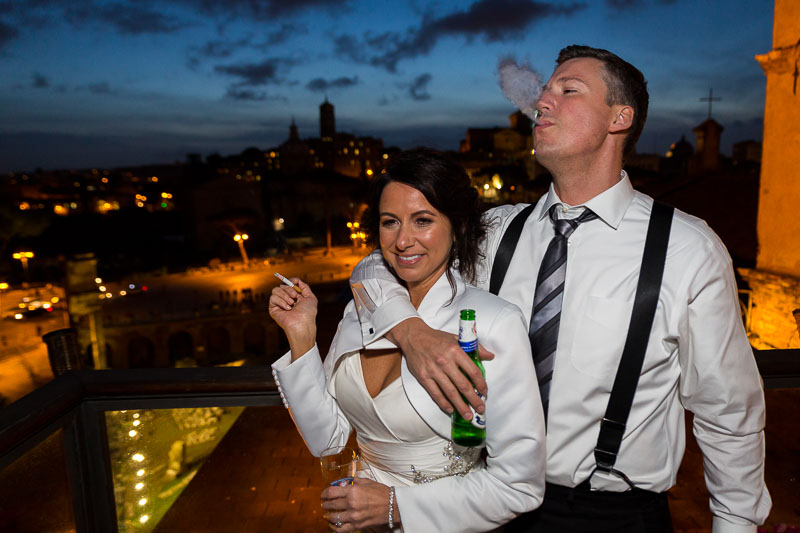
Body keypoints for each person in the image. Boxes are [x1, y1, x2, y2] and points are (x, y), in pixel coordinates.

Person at [348, 45, 771, 531]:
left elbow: (729, 411)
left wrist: (735, 524)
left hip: (612, 516)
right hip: (487, 500)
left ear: (620, 117)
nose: (541, 103)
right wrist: (411, 333)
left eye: (568, 90)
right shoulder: (496, 231)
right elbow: (378, 266)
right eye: (543, 92)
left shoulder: (685, 248)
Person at [269, 149, 546, 532]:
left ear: (458, 226)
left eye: (422, 220)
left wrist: (396, 507)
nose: (402, 241)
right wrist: (302, 336)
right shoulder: (362, 308)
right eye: (390, 222)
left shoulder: (493, 322)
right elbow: (328, 441)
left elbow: (520, 486)